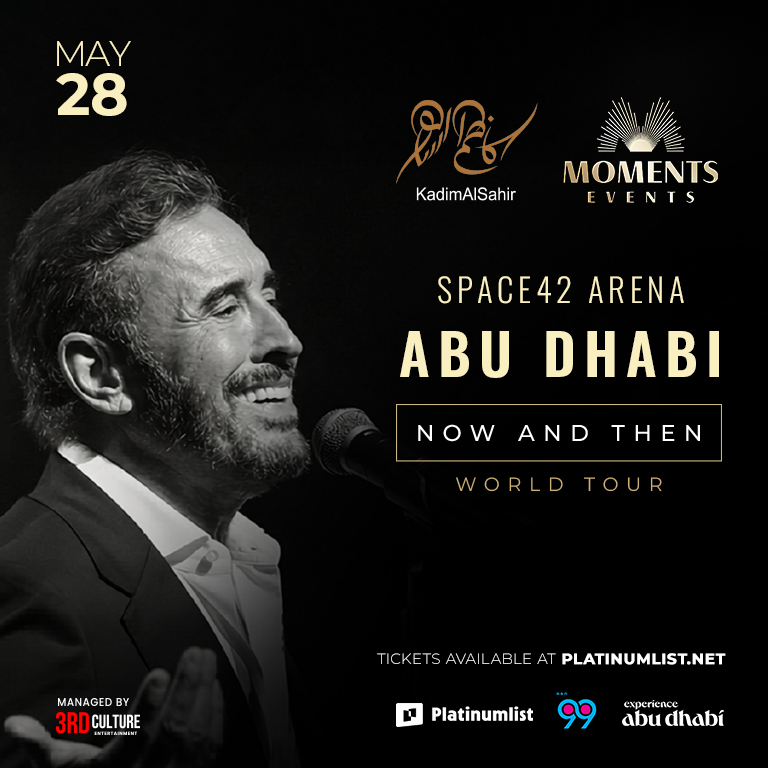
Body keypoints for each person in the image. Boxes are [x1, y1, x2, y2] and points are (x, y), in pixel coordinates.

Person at [0, 152, 312, 767]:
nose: (286, 340)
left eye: (268, 295)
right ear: (101, 376)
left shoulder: (243, 562)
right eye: (224, 307)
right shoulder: (25, 590)